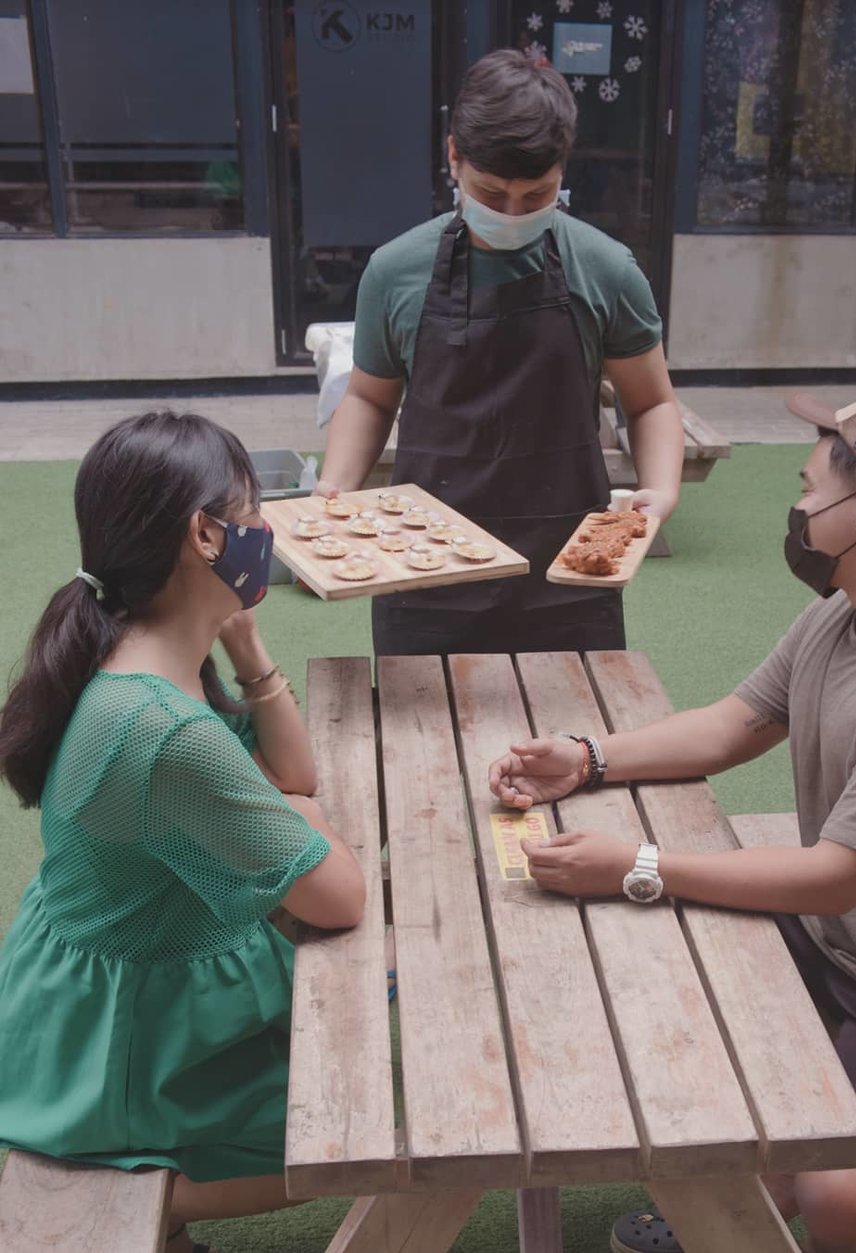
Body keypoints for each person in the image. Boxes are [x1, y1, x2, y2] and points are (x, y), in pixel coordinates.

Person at [487, 383, 856, 1253]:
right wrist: (590, 756)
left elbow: (840, 875)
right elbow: (735, 723)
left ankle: (749, 1207)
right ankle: (726, 1206)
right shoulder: (843, 612)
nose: (796, 506)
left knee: (835, 1199)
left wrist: (638, 865)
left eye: (808, 487)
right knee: (648, 1016)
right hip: (832, 940)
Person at [0, 411, 365, 1253]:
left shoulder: (133, 648)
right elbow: (338, 894)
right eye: (254, 506)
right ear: (206, 534)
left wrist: (248, 647)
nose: (266, 525)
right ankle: (161, 1196)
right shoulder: (162, 729)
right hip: (123, 1044)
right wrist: (305, 823)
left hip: (112, 973)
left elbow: (293, 776)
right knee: (367, 1137)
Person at [316, 49, 684, 656]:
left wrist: (662, 490)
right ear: (454, 155)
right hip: (424, 569)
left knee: (568, 740)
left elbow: (650, 404)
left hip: (567, 572)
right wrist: (335, 484)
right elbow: (368, 397)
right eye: (491, 193)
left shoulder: (606, 268)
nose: (512, 214)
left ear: (563, 171)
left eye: (536, 196)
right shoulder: (394, 270)